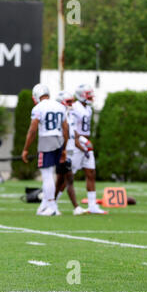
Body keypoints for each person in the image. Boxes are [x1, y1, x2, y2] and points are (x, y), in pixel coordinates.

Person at [22, 84, 69, 216]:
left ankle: (52, 205)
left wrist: (25, 149)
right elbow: (66, 129)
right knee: (51, 173)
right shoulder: (60, 106)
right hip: (59, 139)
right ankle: (45, 205)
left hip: (46, 140)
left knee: (47, 174)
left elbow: (32, 131)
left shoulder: (38, 108)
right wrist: (64, 148)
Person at [71, 84, 107, 215]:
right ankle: (52, 202)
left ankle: (92, 206)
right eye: (88, 94)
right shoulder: (74, 108)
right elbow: (72, 129)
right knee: (68, 176)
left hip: (87, 143)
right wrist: (82, 141)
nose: (90, 97)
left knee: (91, 173)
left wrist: (86, 142)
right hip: (76, 143)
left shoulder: (89, 109)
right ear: (81, 95)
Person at [54, 90, 87, 216]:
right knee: (69, 179)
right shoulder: (61, 116)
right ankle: (76, 207)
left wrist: (83, 143)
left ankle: (50, 203)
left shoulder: (69, 115)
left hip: (69, 151)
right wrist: (62, 151)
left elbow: (73, 133)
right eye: (68, 101)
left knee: (60, 181)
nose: (71, 104)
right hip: (63, 151)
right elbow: (63, 135)